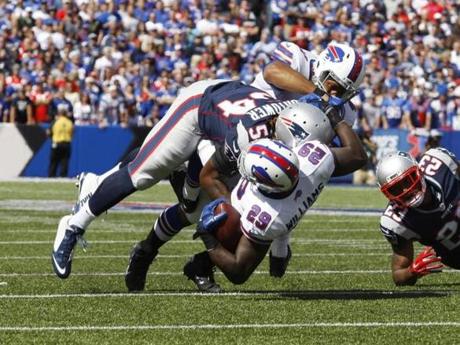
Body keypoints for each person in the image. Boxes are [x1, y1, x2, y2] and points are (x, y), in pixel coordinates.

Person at [51, 79, 300, 279]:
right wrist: (192, 196)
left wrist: (280, 248)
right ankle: (73, 224)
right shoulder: (243, 140)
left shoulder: (303, 142)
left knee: (210, 210)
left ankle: (99, 181)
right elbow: (206, 171)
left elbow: (286, 198)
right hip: (199, 104)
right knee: (143, 175)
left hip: (231, 108)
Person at [124, 102, 348, 292]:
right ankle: (146, 250)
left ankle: (200, 264)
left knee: (239, 226)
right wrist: (197, 202)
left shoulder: (306, 158)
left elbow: (286, 206)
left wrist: (278, 247)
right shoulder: (247, 137)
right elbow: (207, 175)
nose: (321, 145)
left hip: (245, 160)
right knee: (195, 210)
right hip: (205, 140)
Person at [188, 105, 367, 286]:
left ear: (259, 184)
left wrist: (207, 237)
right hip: (284, 208)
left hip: (262, 209)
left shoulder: (265, 217)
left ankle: (202, 143)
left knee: (227, 222)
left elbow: (238, 273)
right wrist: (336, 119)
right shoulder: (314, 160)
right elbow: (358, 156)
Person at [250, 40, 366, 273]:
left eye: (343, 91)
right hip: (253, 130)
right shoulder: (298, 58)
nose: (336, 94)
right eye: (335, 85)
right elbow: (272, 71)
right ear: (323, 68)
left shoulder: (345, 109)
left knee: (306, 171)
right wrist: (317, 93)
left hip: (285, 152)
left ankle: (281, 240)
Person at [376, 149, 460, 286]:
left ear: (418, 172)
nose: (405, 191)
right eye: (395, 189)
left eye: (407, 181)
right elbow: (399, 275)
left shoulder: (439, 162)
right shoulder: (396, 221)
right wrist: (413, 271)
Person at [48, 105, 74, 177]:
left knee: (54, 161)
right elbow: (72, 133)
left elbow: (49, 132)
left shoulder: (56, 122)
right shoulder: (69, 122)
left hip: (56, 143)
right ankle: (63, 176)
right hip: (67, 143)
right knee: (64, 161)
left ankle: (52, 176)